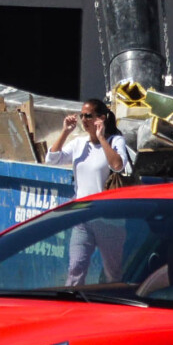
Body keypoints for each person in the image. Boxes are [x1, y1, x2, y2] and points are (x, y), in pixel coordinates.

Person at [46, 98, 132, 284]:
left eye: (88, 116)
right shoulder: (79, 144)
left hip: (109, 219)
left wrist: (101, 138)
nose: (84, 120)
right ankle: (71, 302)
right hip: (82, 216)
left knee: (113, 274)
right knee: (76, 267)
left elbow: (117, 165)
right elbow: (51, 159)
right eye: (81, 116)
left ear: (101, 118)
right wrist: (65, 132)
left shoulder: (115, 140)